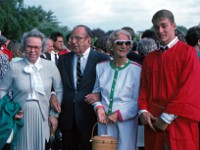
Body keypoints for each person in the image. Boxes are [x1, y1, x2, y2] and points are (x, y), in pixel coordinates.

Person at [138, 9, 200, 150]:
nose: (160, 30)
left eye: (164, 25)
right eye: (156, 27)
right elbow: (144, 88)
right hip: (153, 121)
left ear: (174, 25)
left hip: (179, 121)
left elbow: (188, 89)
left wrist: (166, 118)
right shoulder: (150, 58)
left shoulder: (188, 53)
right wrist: (143, 111)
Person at [0, 28, 63, 150]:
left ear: (42, 48)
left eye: (36, 47)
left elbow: (59, 90)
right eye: (29, 46)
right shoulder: (14, 66)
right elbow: (2, 90)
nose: (32, 50)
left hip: (43, 114)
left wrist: (54, 115)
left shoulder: (50, 66)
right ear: (23, 47)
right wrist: (9, 109)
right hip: (19, 114)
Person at [85, 29, 141, 150]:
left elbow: (138, 101)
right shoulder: (101, 67)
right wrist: (98, 107)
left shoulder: (137, 70)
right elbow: (96, 94)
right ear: (111, 45)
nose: (124, 46)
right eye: (119, 43)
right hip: (104, 122)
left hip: (126, 124)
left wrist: (119, 114)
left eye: (127, 43)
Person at [56, 25, 110, 150]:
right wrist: (53, 95)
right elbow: (56, 85)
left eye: (78, 38)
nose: (73, 42)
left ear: (88, 40)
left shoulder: (102, 59)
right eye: (71, 38)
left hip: (91, 117)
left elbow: (109, 86)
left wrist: (99, 95)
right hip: (68, 117)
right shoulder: (63, 59)